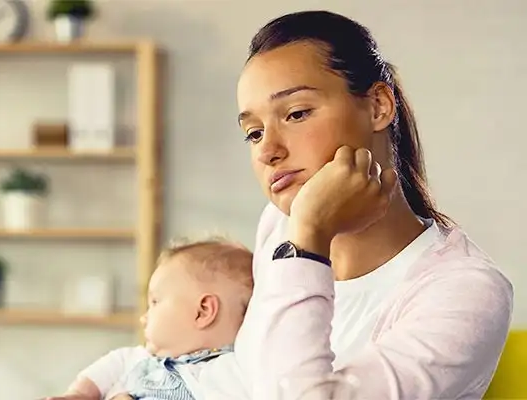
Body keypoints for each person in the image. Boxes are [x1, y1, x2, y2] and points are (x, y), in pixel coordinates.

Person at [228, 9, 514, 400]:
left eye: (296, 114)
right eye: (254, 133)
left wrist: (310, 238)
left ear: (379, 105)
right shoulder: (279, 226)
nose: (268, 152)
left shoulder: (465, 290)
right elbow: (247, 379)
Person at [44, 237, 253, 400]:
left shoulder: (229, 372)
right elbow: (111, 365)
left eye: (155, 302)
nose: (144, 318)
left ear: (203, 311)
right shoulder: (142, 358)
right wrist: (80, 394)